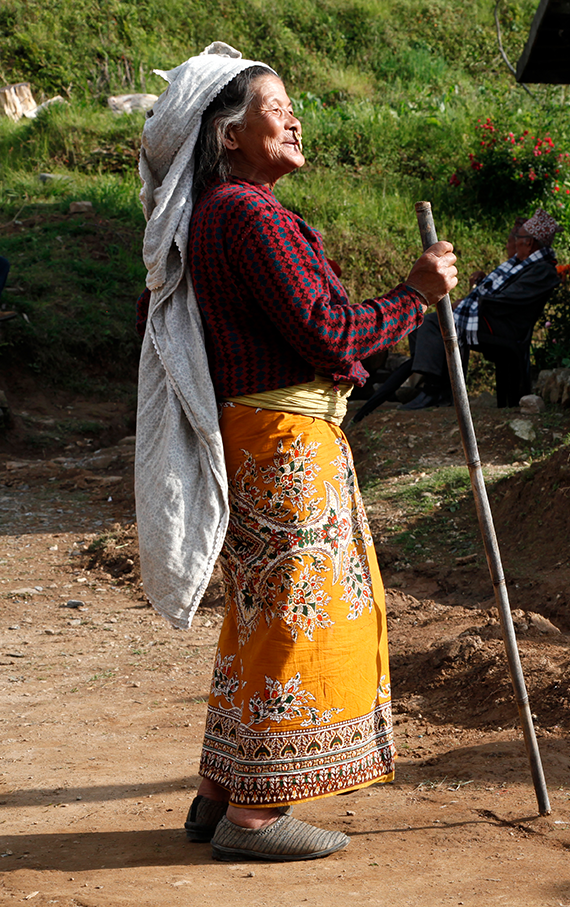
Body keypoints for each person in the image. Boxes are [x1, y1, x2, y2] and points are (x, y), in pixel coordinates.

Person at [134, 43, 457, 862]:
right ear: (229, 135)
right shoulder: (247, 214)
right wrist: (414, 296)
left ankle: (218, 794)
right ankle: (255, 815)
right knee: (299, 612)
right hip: (284, 443)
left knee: (255, 612)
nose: (295, 118)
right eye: (277, 109)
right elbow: (326, 333)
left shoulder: (221, 216)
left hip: (260, 434)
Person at [400, 208, 560, 409]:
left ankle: (433, 391)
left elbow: (511, 298)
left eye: (518, 237)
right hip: (495, 319)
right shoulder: (529, 265)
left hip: (501, 326)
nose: (514, 242)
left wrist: (480, 298)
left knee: (432, 324)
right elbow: (508, 291)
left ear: (528, 242)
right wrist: (483, 286)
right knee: (426, 325)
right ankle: (429, 386)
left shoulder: (541, 270)